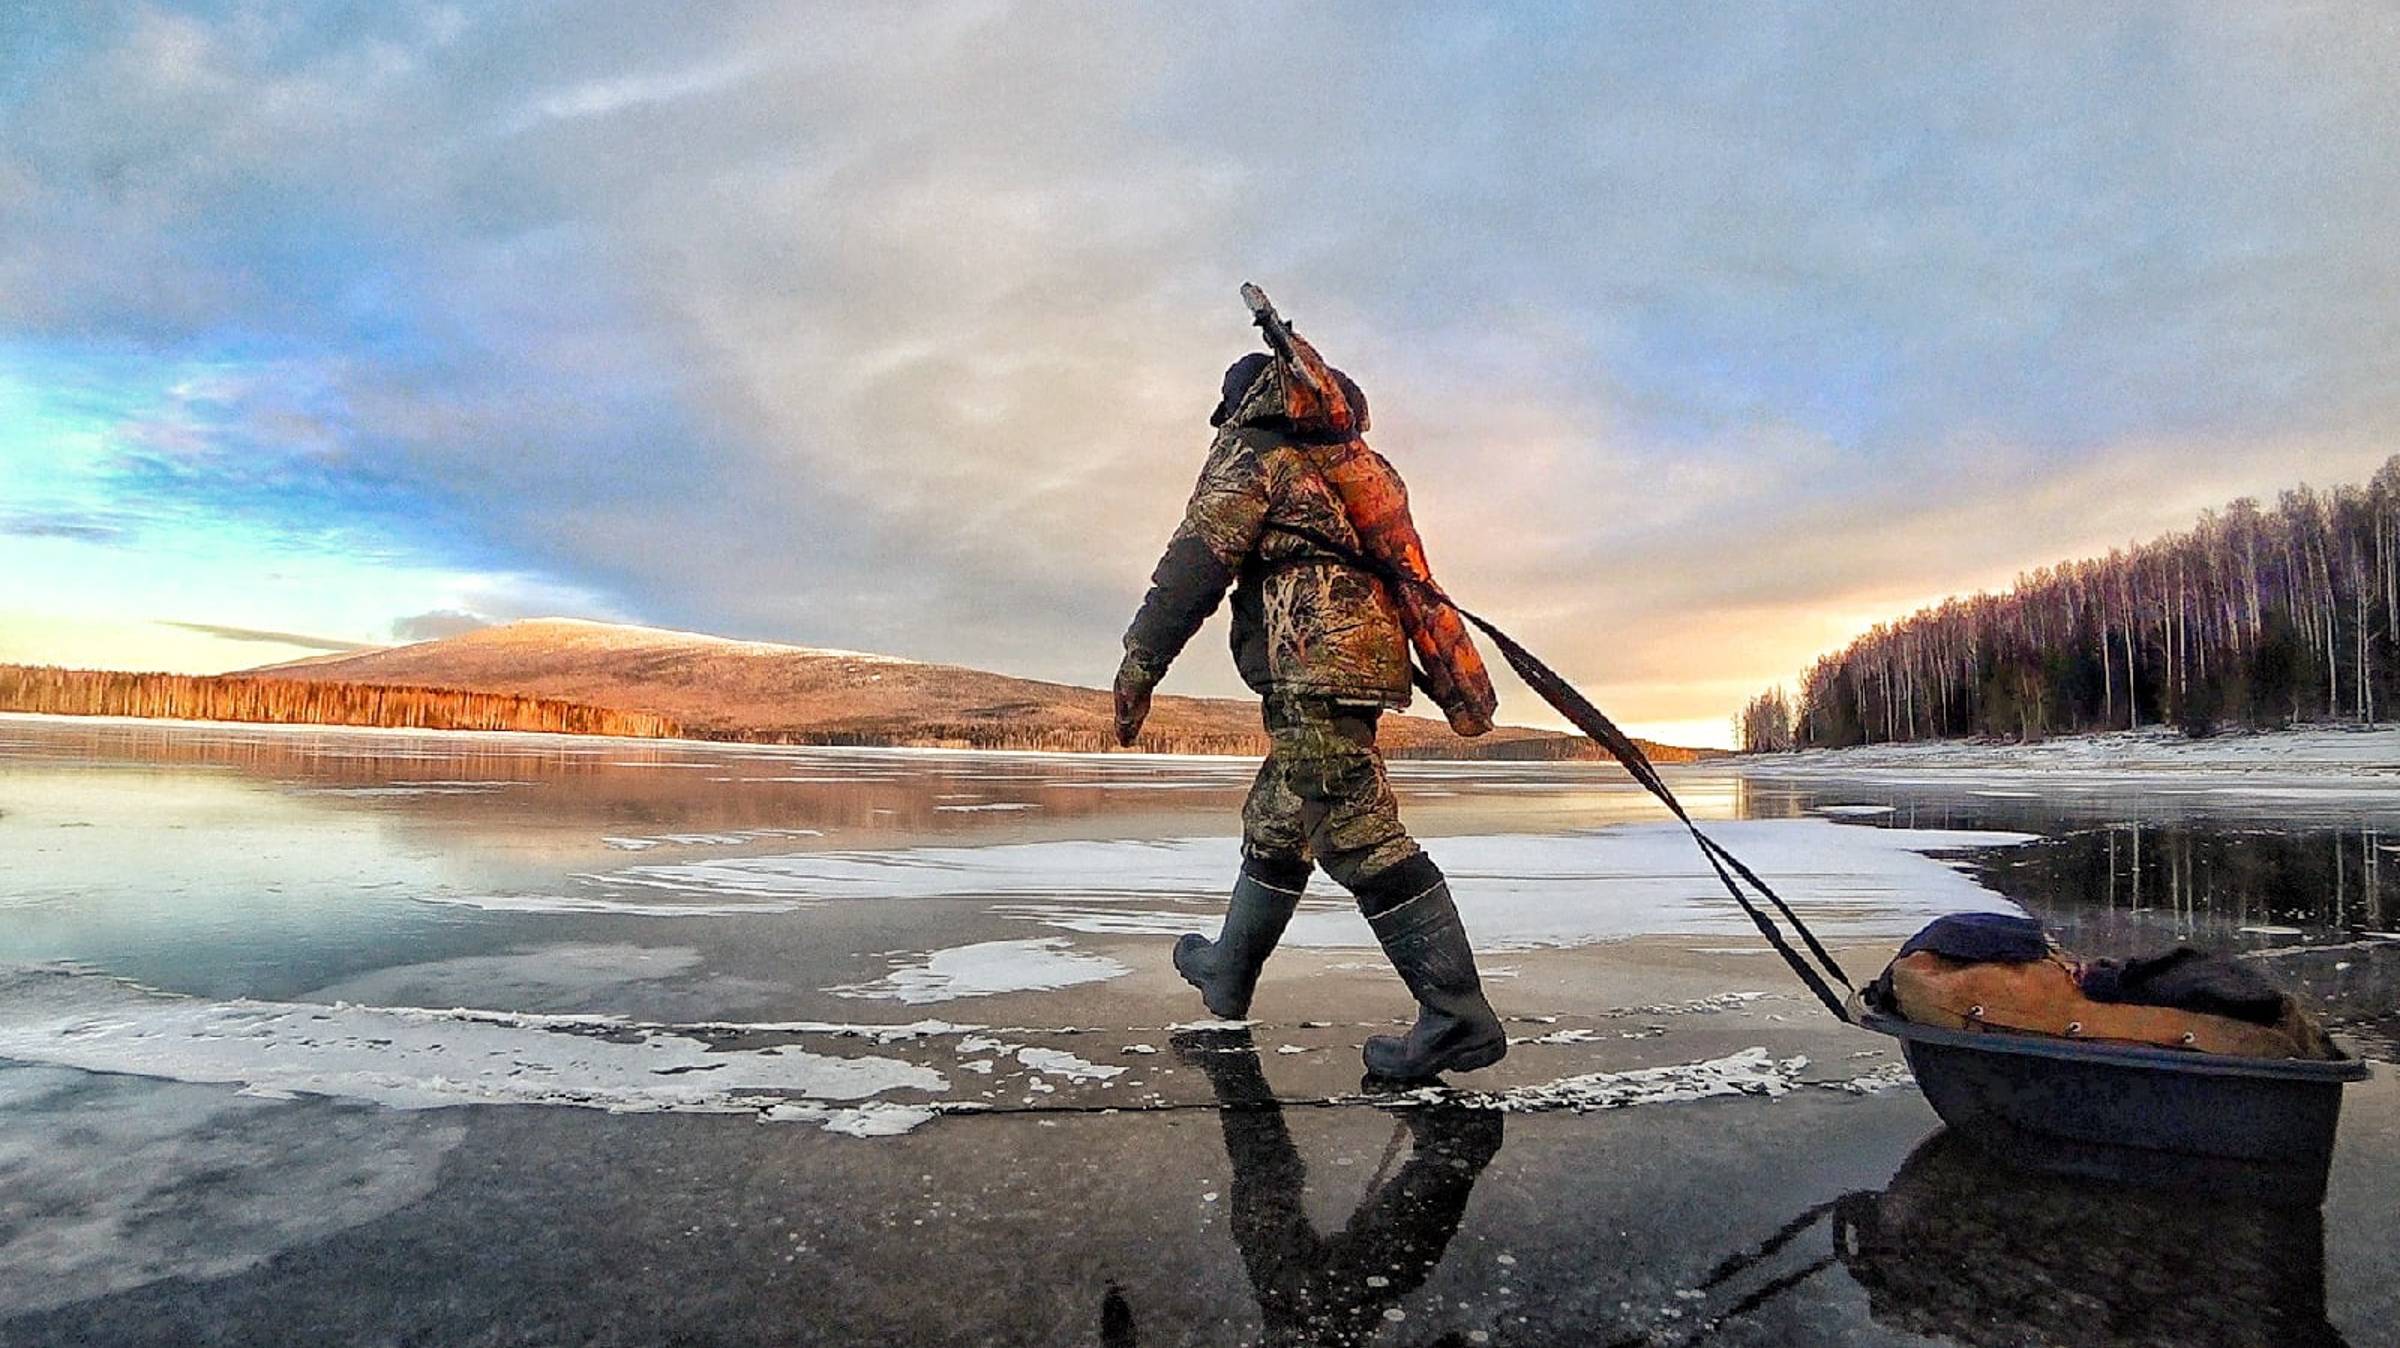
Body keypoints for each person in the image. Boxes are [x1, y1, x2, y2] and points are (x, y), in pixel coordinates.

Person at [1113, 349, 1505, 1080]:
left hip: (1309, 647)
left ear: (1242, 403)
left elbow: (1197, 560)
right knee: (1282, 809)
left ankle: (1456, 1014)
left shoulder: (1255, 449)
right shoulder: (1355, 460)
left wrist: (1142, 660)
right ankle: (1230, 969)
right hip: (1359, 653)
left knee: (1351, 823)